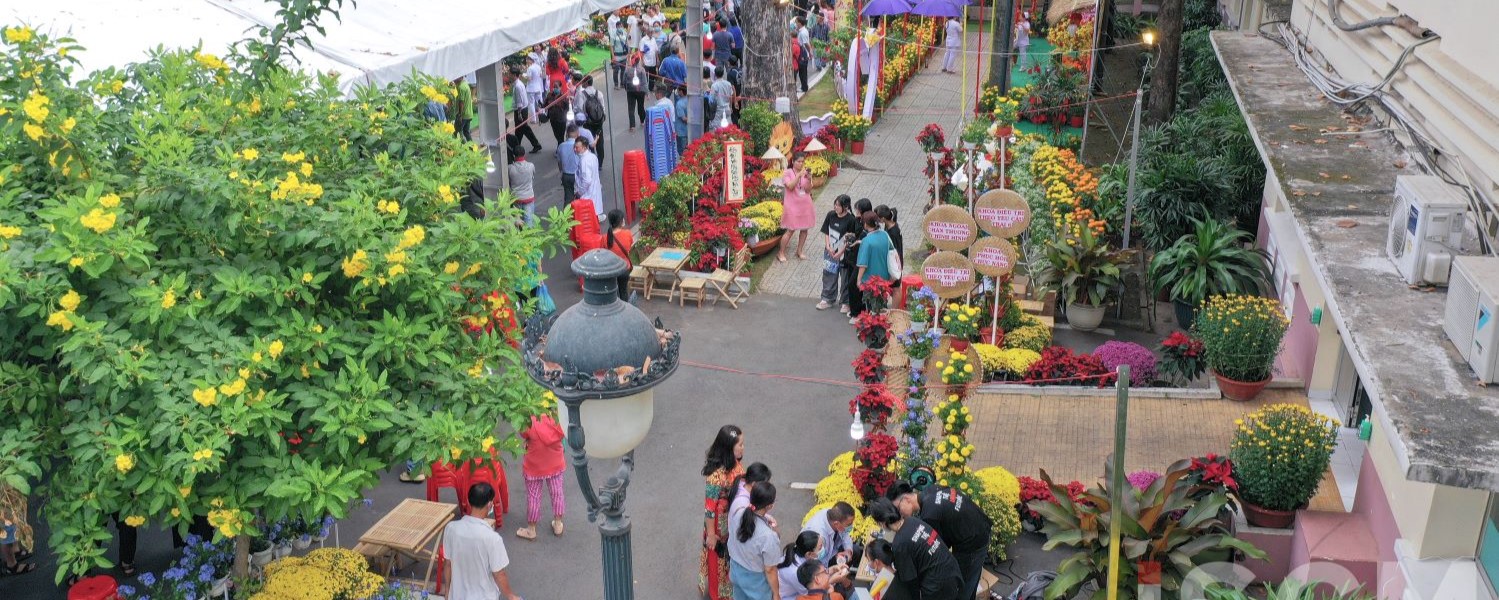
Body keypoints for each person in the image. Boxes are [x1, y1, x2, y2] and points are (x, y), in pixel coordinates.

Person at [886, 483, 990, 600]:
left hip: (973, 544)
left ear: (906, 499)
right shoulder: (931, 490)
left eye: (898, 509)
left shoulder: (929, 515)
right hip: (980, 526)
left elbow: (939, 549)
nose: (899, 514)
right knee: (971, 581)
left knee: (962, 589)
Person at [867, 498, 964, 600]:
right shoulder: (912, 521)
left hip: (939, 586)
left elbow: (912, 584)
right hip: (951, 569)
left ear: (881, 523)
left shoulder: (900, 544)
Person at [443, 483, 522, 600]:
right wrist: (511, 596)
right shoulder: (493, 539)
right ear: (489, 504)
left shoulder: (451, 528)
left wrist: (447, 591)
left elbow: (448, 564)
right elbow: (499, 574)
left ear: (469, 502)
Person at [701, 425, 746, 600]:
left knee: (730, 561)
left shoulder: (735, 463)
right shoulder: (715, 476)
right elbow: (709, 509)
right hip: (719, 528)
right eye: (740, 445)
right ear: (729, 448)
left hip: (732, 520)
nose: (743, 448)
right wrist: (711, 535)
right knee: (718, 562)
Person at [515, 413, 565, 541]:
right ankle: (558, 524)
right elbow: (563, 432)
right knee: (557, 493)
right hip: (555, 463)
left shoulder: (530, 419)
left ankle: (531, 530)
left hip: (534, 465)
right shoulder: (557, 417)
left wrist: (528, 439)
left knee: (533, 497)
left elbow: (523, 432)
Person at [729, 483, 782, 600]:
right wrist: (776, 594)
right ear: (769, 506)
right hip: (755, 581)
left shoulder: (738, 513)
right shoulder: (768, 536)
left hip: (736, 570)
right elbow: (770, 569)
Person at [817, 195, 857, 311]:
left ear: (845, 207)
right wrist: (828, 246)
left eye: (838, 205)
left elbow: (849, 238)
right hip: (830, 251)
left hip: (844, 254)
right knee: (829, 274)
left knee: (845, 277)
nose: (835, 207)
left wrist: (841, 252)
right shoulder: (831, 215)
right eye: (835, 204)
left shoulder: (851, 220)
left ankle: (845, 301)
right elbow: (826, 232)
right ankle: (827, 298)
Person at [852, 212, 893, 323]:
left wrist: (858, 280)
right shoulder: (884, 235)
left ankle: (874, 327)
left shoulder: (867, 241)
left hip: (870, 282)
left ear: (865, 224)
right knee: (882, 306)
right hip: (884, 280)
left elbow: (863, 264)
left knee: (871, 308)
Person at [778, 155, 816, 262]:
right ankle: (781, 252)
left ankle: (799, 251)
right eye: (798, 161)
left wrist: (809, 179)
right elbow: (790, 186)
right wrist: (799, 175)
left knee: (804, 229)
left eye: (802, 161)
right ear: (793, 161)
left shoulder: (805, 173)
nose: (801, 163)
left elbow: (808, 190)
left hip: (805, 205)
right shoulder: (787, 172)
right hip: (792, 205)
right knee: (790, 230)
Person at [839, 198, 872, 315]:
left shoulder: (867, 224)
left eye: (858, 210)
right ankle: (855, 310)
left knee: (855, 285)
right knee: (853, 284)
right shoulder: (858, 221)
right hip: (853, 258)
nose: (856, 212)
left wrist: (857, 240)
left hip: (860, 260)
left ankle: (857, 312)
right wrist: (852, 235)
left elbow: (864, 239)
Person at [508, 68, 543, 153]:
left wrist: (519, 114)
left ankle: (518, 147)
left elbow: (519, 101)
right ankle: (520, 146)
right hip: (523, 109)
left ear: (514, 75)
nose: (509, 76)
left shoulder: (517, 86)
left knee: (521, 129)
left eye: (510, 74)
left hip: (521, 110)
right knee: (523, 129)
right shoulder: (518, 84)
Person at [602, 210, 635, 300]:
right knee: (623, 290)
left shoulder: (605, 237)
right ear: (620, 221)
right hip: (624, 268)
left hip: (611, 269)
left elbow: (604, 252)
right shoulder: (627, 233)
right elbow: (629, 247)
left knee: (613, 292)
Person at [573, 137, 604, 220]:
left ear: (584, 147)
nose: (575, 149)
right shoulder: (592, 157)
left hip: (587, 195)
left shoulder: (584, 161)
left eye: (577, 147)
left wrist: (579, 192)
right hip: (593, 193)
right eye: (575, 147)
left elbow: (587, 181)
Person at [508, 147, 537, 227]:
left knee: (516, 223)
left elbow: (509, 182)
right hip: (529, 197)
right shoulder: (531, 166)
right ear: (524, 154)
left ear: (514, 155)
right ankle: (529, 238)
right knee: (529, 221)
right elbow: (532, 177)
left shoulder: (510, 168)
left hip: (516, 199)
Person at [575, 75, 606, 141]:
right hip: (599, 121)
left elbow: (580, 109)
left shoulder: (581, 94)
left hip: (588, 122)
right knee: (599, 141)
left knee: (589, 141)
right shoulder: (599, 93)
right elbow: (603, 107)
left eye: (582, 81)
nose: (581, 83)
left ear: (586, 83)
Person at [556, 124, 582, 203]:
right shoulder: (580, 146)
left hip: (566, 175)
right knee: (580, 198)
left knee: (568, 198)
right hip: (577, 175)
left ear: (567, 134)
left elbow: (559, 163)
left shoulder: (561, 146)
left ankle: (567, 215)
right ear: (578, 134)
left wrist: (561, 172)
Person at [624, 53, 649, 131]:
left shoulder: (627, 69)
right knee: (640, 106)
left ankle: (632, 126)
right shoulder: (642, 69)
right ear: (639, 61)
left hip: (630, 91)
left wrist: (626, 88)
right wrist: (647, 93)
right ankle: (642, 121)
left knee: (631, 108)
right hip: (640, 91)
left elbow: (624, 81)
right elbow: (644, 82)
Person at [451, 77, 475, 142]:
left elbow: (461, 102)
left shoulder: (461, 88)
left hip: (463, 115)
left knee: (457, 133)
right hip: (469, 114)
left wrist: (460, 115)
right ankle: (472, 149)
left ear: (460, 77)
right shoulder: (465, 84)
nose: (453, 79)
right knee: (466, 132)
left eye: (455, 78)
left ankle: (463, 148)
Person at [639, 25, 661, 92]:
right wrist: (642, 61)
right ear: (648, 32)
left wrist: (657, 59)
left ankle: (650, 88)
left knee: (652, 76)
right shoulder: (643, 40)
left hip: (653, 61)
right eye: (651, 32)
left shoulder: (653, 39)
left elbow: (656, 50)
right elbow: (641, 51)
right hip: (646, 61)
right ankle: (644, 88)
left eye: (652, 32)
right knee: (645, 76)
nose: (652, 33)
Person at [610, 21, 630, 89]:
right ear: (616, 27)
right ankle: (616, 84)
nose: (620, 28)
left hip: (624, 55)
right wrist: (613, 56)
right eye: (619, 26)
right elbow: (611, 46)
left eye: (621, 26)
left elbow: (627, 44)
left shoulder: (624, 33)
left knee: (623, 70)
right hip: (617, 56)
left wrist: (628, 54)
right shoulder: (613, 34)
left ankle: (622, 83)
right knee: (616, 70)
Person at [673, 86, 690, 154]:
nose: (677, 92)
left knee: (682, 151)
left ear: (681, 92)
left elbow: (683, 118)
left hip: (681, 132)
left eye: (678, 90)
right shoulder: (690, 100)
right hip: (688, 130)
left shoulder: (679, 104)